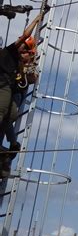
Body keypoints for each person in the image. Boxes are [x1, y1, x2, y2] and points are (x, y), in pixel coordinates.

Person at [1, 13, 41, 170]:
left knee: (8, 117)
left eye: (26, 51)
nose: (23, 53)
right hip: (7, 92)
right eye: (23, 51)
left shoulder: (27, 67)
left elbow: (32, 79)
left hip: (14, 95)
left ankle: (12, 144)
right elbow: (23, 38)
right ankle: (11, 145)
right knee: (5, 118)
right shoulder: (12, 60)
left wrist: (29, 69)